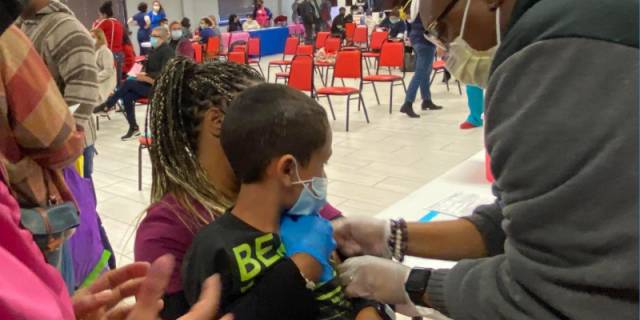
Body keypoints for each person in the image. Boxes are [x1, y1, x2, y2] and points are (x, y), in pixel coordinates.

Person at [330, 0, 639, 319]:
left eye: (443, 30)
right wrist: (393, 236)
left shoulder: (550, 61)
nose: (446, 52)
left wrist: (413, 283)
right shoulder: (584, 20)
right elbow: (530, 218)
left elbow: (557, 291)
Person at [134, 58, 345, 319]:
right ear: (218, 122)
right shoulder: (168, 229)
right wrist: (298, 272)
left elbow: (345, 251)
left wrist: (368, 307)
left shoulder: (283, 186)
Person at [182, 84, 387, 320]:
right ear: (288, 169)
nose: (323, 177)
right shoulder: (213, 250)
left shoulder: (311, 223)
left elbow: (348, 289)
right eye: (322, 164)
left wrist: (366, 310)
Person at [17, 0, 100, 180]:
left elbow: (83, 94)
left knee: (79, 204)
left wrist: (62, 143)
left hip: (65, 149)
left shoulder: (65, 28)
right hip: (39, 146)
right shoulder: (23, 24)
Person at [94, 27, 175, 140]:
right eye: (151, 35)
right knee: (127, 96)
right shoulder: (153, 50)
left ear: (162, 38)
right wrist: (140, 72)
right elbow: (148, 68)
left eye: (154, 36)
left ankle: (108, 104)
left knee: (128, 84)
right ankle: (133, 127)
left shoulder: (167, 51)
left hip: (160, 87)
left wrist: (146, 77)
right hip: (148, 84)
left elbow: (165, 72)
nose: (151, 37)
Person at [398, 0, 442, 118]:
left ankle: (426, 100)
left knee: (426, 72)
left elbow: (407, 23)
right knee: (420, 73)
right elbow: (432, 24)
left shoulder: (412, 3)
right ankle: (408, 103)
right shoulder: (426, 4)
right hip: (426, 41)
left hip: (416, 39)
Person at [92, 1, 125, 85]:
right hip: (119, 54)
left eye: (100, 15)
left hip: (109, 54)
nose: (99, 17)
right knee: (117, 81)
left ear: (104, 15)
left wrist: (96, 22)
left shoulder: (105, 22)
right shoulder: (118, 23)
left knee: (109, 83)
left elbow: (92, 34)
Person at [91, 28, 117, 104]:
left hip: (106, 80)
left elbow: (108, 71)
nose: (90, 39)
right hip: (96, 78)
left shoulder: (105, 51)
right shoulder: (94, 51)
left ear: (99, 38)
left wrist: (94, 78)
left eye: (93, 37)